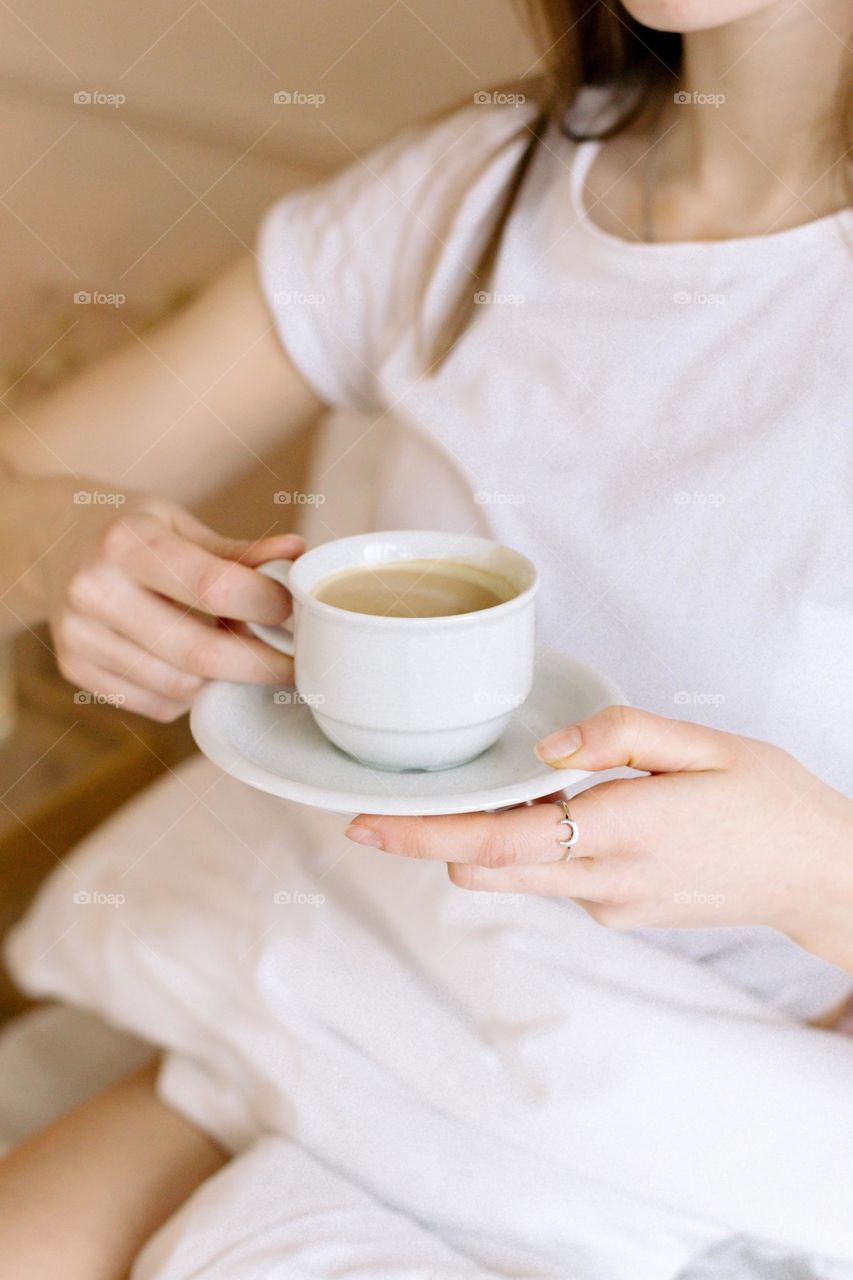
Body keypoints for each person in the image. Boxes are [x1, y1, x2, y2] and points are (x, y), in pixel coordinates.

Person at [0, 0, 851, 1275]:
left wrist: (815, 870)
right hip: (311, 1009)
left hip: (693, 1138)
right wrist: (70, 550)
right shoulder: (474, 191)